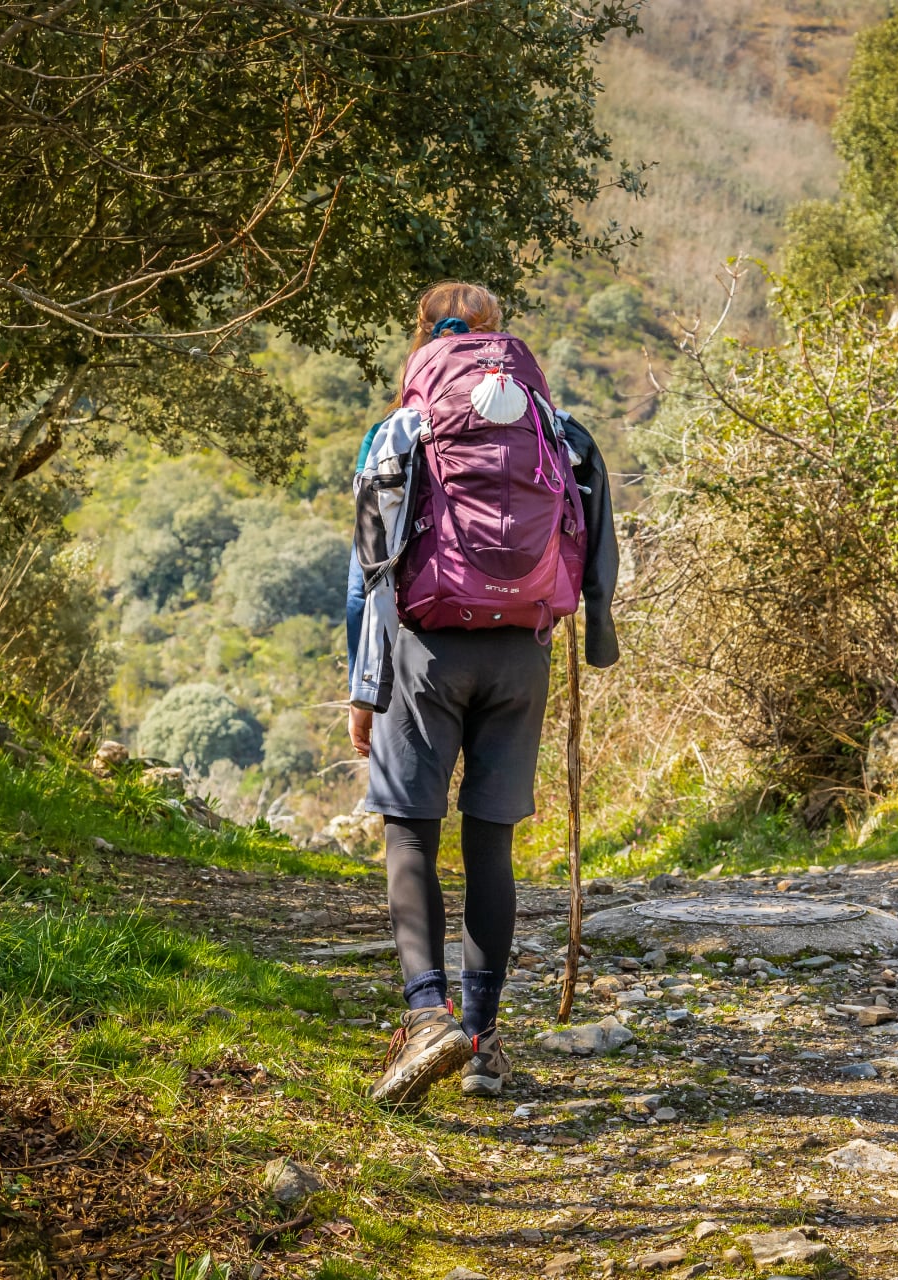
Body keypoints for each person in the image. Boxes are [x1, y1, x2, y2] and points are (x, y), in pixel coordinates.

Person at [344, 281, 618, 1106]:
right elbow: (598, 549)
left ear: (423, 339)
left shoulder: (400, 430)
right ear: (502, 338)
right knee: (490, 845)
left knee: (411, 835)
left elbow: (365, 573)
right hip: (520, 657)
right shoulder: (558, 431)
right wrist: (595, 636)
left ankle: (429, 1016)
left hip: (423, 651)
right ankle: (486, 1037)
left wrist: (364, 688)